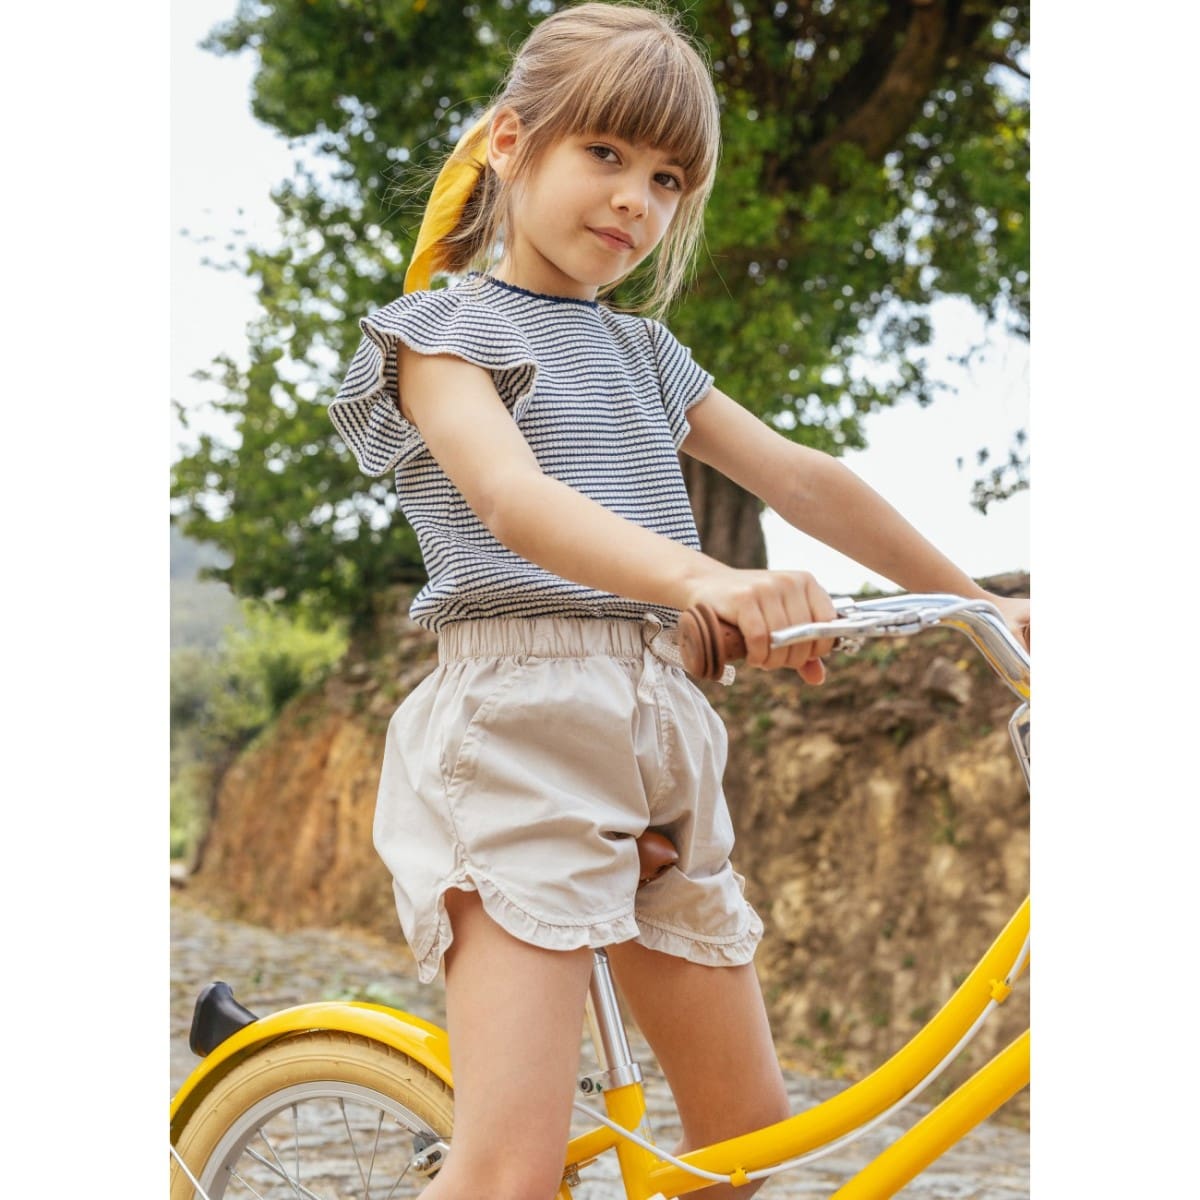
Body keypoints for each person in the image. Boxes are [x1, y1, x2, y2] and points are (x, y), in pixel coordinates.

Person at [329, 4, 1030, 1197]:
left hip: (658, 734)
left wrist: (985, 609)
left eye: (666, 178)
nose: (636, 202)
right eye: (605, 155)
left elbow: (803, 478)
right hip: (518, 735)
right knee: (509, 1168)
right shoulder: (440, 333)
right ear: (511, 143)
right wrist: (707, 577)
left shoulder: (649, 354)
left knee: (741, 1147)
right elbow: (515, 503)